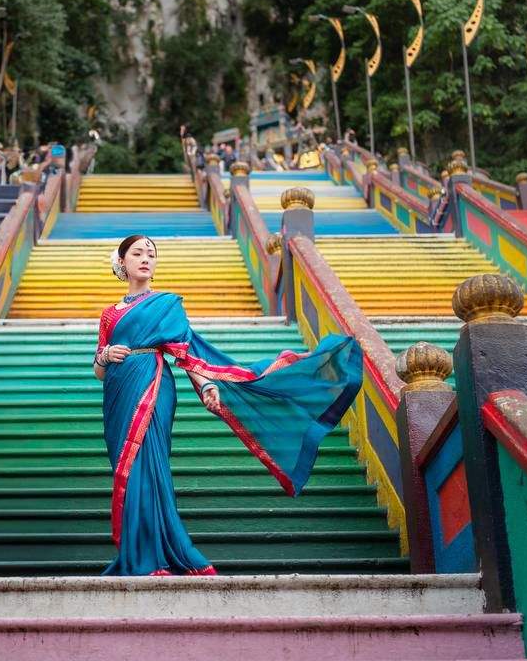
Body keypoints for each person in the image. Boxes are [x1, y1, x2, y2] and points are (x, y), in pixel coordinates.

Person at [92, 234, 363, 576]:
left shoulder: (166, 304)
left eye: (151, 254)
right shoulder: (108, 314)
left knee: (151, 466)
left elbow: (187, 352)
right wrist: (105, 354)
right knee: (127, 471)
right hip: (117, 393)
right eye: (137, 253)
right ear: (122, 261)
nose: (146, 259)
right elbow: (98, 371)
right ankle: (136, 554)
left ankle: (158, 557)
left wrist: (206, 385)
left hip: (153, 385)